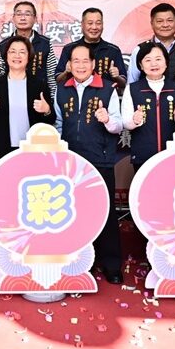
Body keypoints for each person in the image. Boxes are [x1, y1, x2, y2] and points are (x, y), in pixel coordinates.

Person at [54, 42, 124, 284]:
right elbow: (58, 125)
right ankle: (82, 261)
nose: (81, 65)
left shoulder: (107, 89)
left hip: (100, 159)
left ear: (94, 64)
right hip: (71, 161)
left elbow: (118, 125)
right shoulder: (62, 90)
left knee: (105, 212)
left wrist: (107, 120)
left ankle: (112, 265)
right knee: (74, 213)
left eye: (86, 61)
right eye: (76, 61)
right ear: (69, 65)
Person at [0, 36, 55, 166]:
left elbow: (51, 119)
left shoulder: (39, 85)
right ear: (6, 56)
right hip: (2, 150)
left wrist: (47, 110)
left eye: (22, 52)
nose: (17, 56)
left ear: (29, 56)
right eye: (12, 51)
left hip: (33, 149)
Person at [122, 42, 175, 169]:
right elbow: (126, 123)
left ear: (166, 62)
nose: (154, 64)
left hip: (173, 154)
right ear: (140, 65)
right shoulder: (132, 89)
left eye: (158, 59)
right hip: (143, 155)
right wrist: (134, 121)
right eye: (148, 60)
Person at [127, 3, 175, 89]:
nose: (165, 25)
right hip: (147, 96)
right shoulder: (140, 49)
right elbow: (131, 82)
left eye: (170, 20)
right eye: (160, 21)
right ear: (152, 23)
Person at [0, 1, 57, 98]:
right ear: (13, 18)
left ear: (35, 19)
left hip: (39, 98)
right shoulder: (3, 46)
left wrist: (51, 101)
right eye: (19, 14)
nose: (23, 18)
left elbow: (51, 77)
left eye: (27, 14)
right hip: (10, 96)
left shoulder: (45, 44)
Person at [55, 8, 127, 88]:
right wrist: (66, 72)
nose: (94, 27)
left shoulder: (113, 50)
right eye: (90, 23)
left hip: (106, 95)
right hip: (75, 95)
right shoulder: (69, 49)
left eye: (98, 23)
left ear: (102, 25)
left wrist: (117, 77)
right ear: (82, 25)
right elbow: (58, 80)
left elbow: (123, 83)